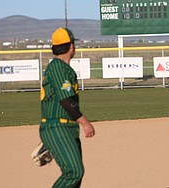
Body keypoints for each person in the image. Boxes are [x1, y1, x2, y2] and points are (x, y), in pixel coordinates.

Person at [39, 27, 95, 187]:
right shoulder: (58, 67)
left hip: (65, 127)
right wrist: (85, 122)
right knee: (74, 172)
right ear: (71, 46)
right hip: (57, 126)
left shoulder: (62, 68)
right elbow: (65, 100)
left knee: (76, 178)